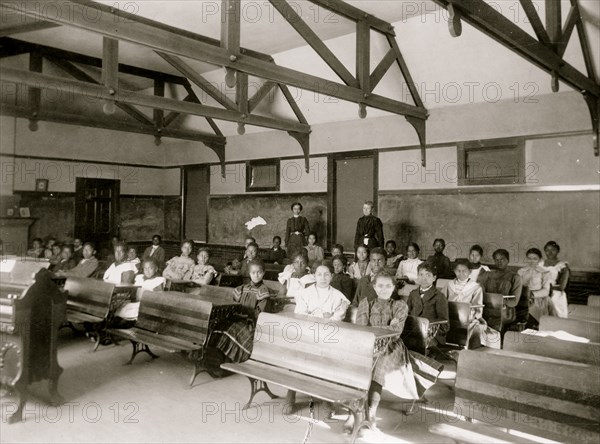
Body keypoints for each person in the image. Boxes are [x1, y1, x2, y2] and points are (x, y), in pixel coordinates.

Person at [353, 272, 443, 431]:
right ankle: (356, 410)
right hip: (368, 344)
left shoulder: (400, 305)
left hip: (392, 347)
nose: (384, 289)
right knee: (355, 362)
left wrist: (378, 328)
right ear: (374, 287)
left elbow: (396, 332)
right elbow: (361, 328)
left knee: (379, 362)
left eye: (388, 286)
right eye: (380, 285)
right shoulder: (366, 303)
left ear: (394, 288)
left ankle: (371, 412)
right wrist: (387, 326)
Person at [286, 262, 350, 413]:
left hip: (329, 335)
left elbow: (338, 317)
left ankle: (325, 398)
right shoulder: (304, 293)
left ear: (332, 276)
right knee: (297, 355)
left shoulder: (338, 296)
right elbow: (301, 314)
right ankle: (291, 394)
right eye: (319, 274)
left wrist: (318, 315)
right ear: (314, 276)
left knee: (327, 359)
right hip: (307, 333)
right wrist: (323, 315)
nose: (323, 278)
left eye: (327, 274)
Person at [216, 260, 271, 363]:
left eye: (259, 272)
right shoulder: (242, 288)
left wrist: (247, 316)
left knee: (235, 330)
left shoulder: (263, 291)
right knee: (222, 325)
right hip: (239, 318)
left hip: (252, 321)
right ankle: (222, 358)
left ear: (263, 273)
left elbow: (260, 312)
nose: (256, 275)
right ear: (249, 274)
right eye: (253, 272)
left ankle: (232, 359)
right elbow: (235, 305)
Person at [446, 259, 500, 349]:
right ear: (454, 271)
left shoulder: (475, 287)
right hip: (449, 315)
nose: (461, 273)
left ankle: (466, 348)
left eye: (464, 271)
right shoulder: (449, 284)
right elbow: (443, 300)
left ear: (470, 271)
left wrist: (472, 315)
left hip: (468, 316)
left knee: (473, 325)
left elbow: (478, 308)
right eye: (458, 271)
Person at [112, 259, 165, 329]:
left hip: (146, 305)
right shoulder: (139, 278)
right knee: (121, 309)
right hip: (135, 302)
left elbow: (158, 298)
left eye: (150, 268)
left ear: (156, 269)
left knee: (130, 314)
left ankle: (126, 324)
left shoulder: (158, 280)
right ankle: (117, 324)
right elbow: (133, 291)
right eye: (145, 268)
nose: (147, 270)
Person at [407, 262, 449, 351]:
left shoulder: (439, 296)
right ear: (417, 276)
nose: (424, 278)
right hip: (413, 331)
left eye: (428, 275)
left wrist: (429, 331)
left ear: (434, 278)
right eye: (421, 274)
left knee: (416, 343)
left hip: (432, 334)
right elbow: (406, 314)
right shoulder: (413, 294)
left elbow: (444, 324)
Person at [483, 249, 524, 324]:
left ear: (507, 260)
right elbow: (481, 293)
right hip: (488, 309)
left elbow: (514, 302)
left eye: (502, 259)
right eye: (496, 260)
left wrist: (497, 300)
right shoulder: (488, 274)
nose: (499, 262)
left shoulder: (515, 277)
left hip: (505, 312)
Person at [518, 248, 552, 328]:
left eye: (535, 259)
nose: (531, 261)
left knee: (534, 319)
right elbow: (519, 286)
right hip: (523, 298)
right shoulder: (521, 271)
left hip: (539, 299)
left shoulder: (545, 272)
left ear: (539, 260)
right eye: (529, 258)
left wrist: (532, 294)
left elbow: (546, 291)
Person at [541, 241, 569, 318]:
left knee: (555, 320)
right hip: (540, 294)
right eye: (547, 250)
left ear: (558, 251)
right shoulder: (540, 263)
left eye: (553, 250)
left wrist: (548, 288)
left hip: (555, 295)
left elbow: (562, 286)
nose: (549, 252)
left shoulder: (562, 266)